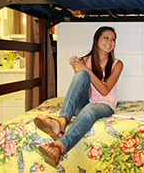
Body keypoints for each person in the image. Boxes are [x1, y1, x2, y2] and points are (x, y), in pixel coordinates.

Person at [34, 26, 123, 168]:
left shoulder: (117, 64)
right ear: (97, 40)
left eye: (113, 39)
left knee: (90, 109)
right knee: (81, 76)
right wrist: (80, 70)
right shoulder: (85, 60)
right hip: (85, 103)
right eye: (106, 37)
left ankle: (59, 147)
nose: (110, 42)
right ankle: (62, 121)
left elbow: (105, 91)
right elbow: (86, 94)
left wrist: (86, 69)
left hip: (105, 105)